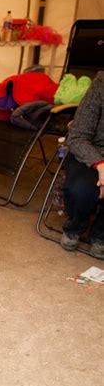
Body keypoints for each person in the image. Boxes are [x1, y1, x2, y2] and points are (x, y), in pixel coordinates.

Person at [61, 71, 104, 258]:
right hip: (89, 153)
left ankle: (100, 235)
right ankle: (76, 225)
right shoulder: (101, 84)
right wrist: (100, 165)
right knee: (82, 190)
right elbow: (77, 137)